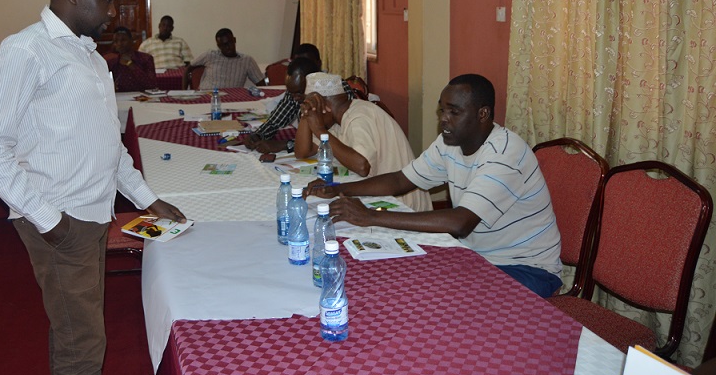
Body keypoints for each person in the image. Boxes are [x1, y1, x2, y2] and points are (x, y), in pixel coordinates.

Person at [0, 0, 185, 375]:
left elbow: (110, 146)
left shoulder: (89, 56)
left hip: (90, 216)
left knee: (79, 332)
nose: (112, 12)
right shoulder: (25, 49)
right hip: (60, 220)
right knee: (82, 342)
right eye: (106, 0)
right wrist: (49, 221)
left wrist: (147, 199)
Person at [305, 73, 562, 298]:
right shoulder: (449, 143)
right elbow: (399, 180)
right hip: (476, 256)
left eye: (454, 112)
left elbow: (460, 222)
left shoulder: (505, 153)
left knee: (436, 296)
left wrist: (370, 216)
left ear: (483, 114)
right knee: (402, 278)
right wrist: (340, 188)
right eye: (442, 111)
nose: (444, 120)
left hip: (527, 268)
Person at [297, 72, 432, 212]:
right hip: (377, 195)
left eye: (312, 110)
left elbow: (362, 166)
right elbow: (303, 152)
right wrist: (305, 114)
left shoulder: (359, 116)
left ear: (326, 107)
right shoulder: (337, 121)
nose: (311, 116)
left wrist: (319, 130)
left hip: (402, 204)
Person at [240, 44, 356, 153]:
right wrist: (257, 135)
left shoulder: (337, 90)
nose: (296, 98)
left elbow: (336, 137)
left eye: (300, 92)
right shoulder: (297, 91)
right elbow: (276, 121)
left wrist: (286, 145)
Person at [185, 28, 265, 90]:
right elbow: (187, 69)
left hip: (232, 99)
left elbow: (262, 85)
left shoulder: (247, 60)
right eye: (222, 45)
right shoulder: (209, 55)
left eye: (228, 43)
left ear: (234, 40)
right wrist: (183, 91)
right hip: (206, 96)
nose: (226, 47)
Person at [105, 27, 158, 92]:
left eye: (123, 40)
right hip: (120, 99)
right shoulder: (111, 62)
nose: (119, 44)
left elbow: (152, 85)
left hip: (143, 98)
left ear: (131, 41)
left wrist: (130, 64)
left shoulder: (146, 59)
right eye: (116, 41)